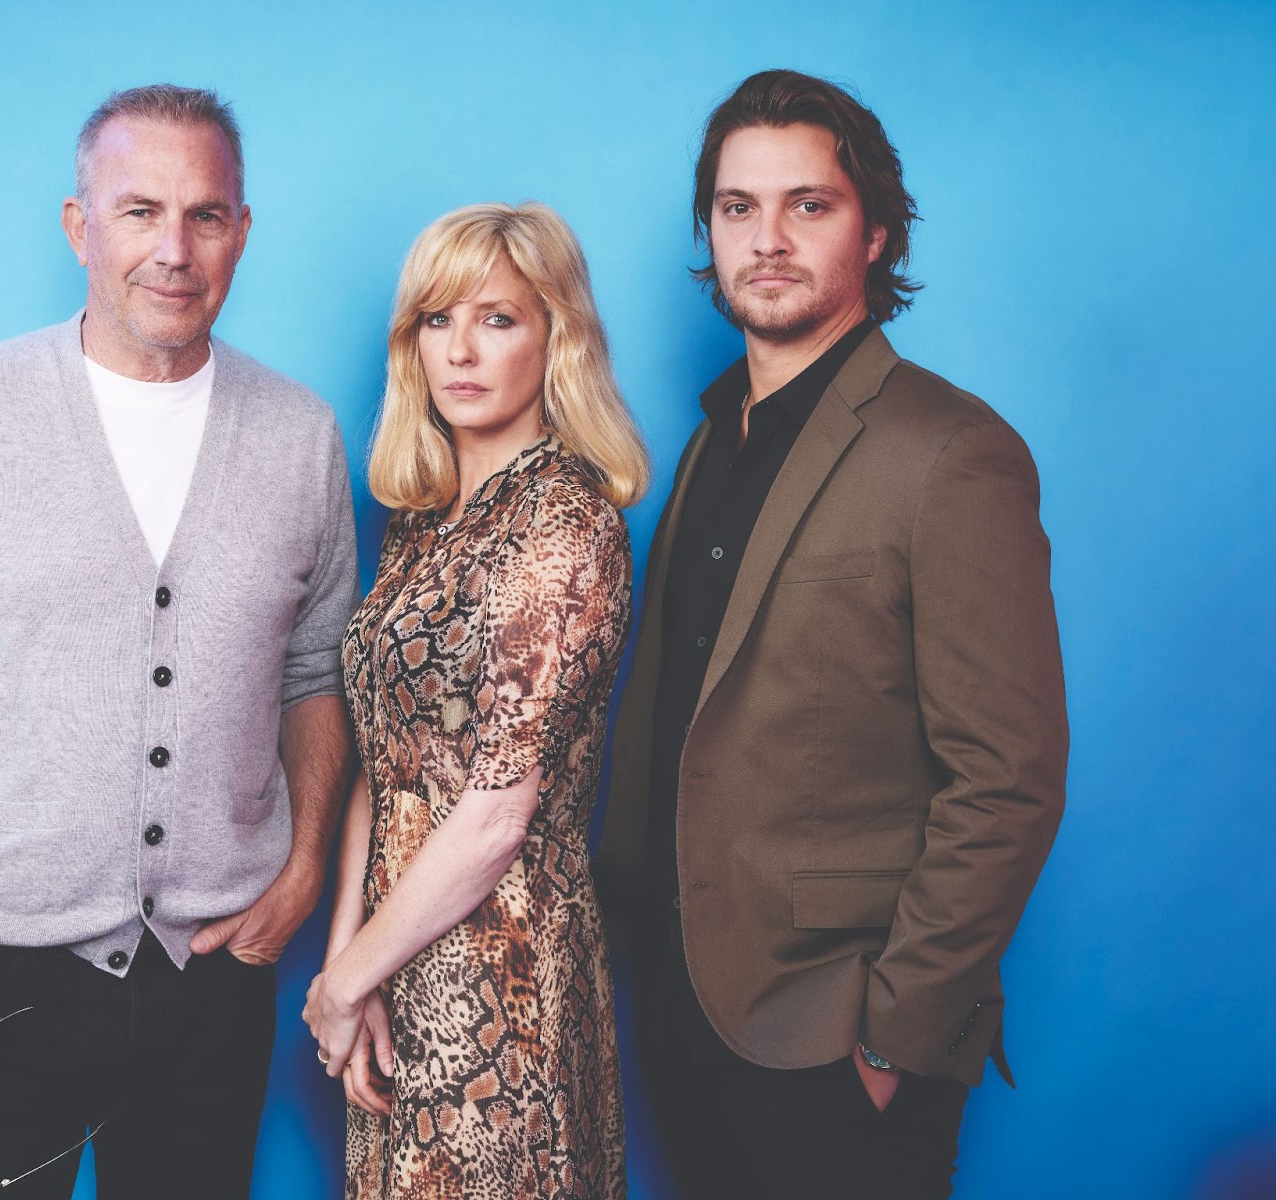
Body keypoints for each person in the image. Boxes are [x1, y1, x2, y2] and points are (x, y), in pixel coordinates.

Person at [0, 84, 356, 1198]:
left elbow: (316, 672)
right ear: (79, 225)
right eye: (140, 210)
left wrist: (302, 869)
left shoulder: (299, 434)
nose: (175, 249)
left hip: (214, 976)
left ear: (242, 231)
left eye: (206, 215)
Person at [593, 69, 1068, 1199]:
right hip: (683, 1000)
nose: (767, 238)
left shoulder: (952, 453)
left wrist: (892, 1040)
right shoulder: (715, 436)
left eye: (808, 204)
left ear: (878, 230)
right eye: (737, 206)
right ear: (707, 229)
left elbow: (1009, 780)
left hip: (836, 1032)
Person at [302, 202, 650, 1200]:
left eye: (496, 319)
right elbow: (384, 762)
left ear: (557, 338)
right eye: (435, 320)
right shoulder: (422, 523)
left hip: (506, 967)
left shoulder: (565, 520)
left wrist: (343, 980)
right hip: (394, 960)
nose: (460, 350)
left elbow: (498, 813)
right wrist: (349, 972)